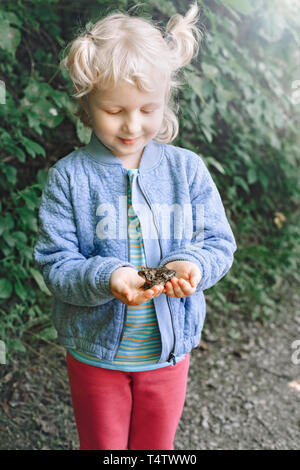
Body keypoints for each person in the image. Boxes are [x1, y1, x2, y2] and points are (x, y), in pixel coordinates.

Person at [33, 1, 237, 451]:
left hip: (168, 355)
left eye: (148, 108)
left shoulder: (187, 171)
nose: (132, 124)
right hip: (95, 355)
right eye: (115, 110)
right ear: (87, 103)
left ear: (165, 100)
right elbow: (56, 263)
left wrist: (194, 264)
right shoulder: (71, 177)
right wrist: (108, 277)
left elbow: (218, 241)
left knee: (156, 449)